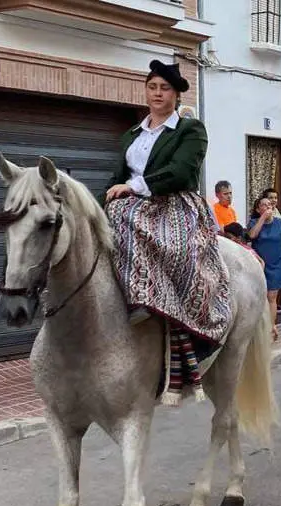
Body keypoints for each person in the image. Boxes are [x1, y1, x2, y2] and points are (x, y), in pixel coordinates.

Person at [102, 60, 230, 398]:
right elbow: (118, 177)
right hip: (130, 204)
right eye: (153, 87)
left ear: (175, 95)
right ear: (146, 90)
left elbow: (180, 170)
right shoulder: (132, 134)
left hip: (174, 203)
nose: (158, 94)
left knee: (180, 255)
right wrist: (110, 193)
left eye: (165, 89)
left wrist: (134, 188)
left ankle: (159, 306)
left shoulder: (190, 129)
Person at [247, 195, 281, 341]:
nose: (268, 206)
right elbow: (252, 235)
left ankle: (271, 326)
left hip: (277, 264)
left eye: (270, 204)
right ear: (258, 209)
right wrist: (262, 218)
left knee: (271, 296)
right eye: (264, 204)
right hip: (260, 265)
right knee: (260, 295)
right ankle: (260, 325)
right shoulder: (254, 222)